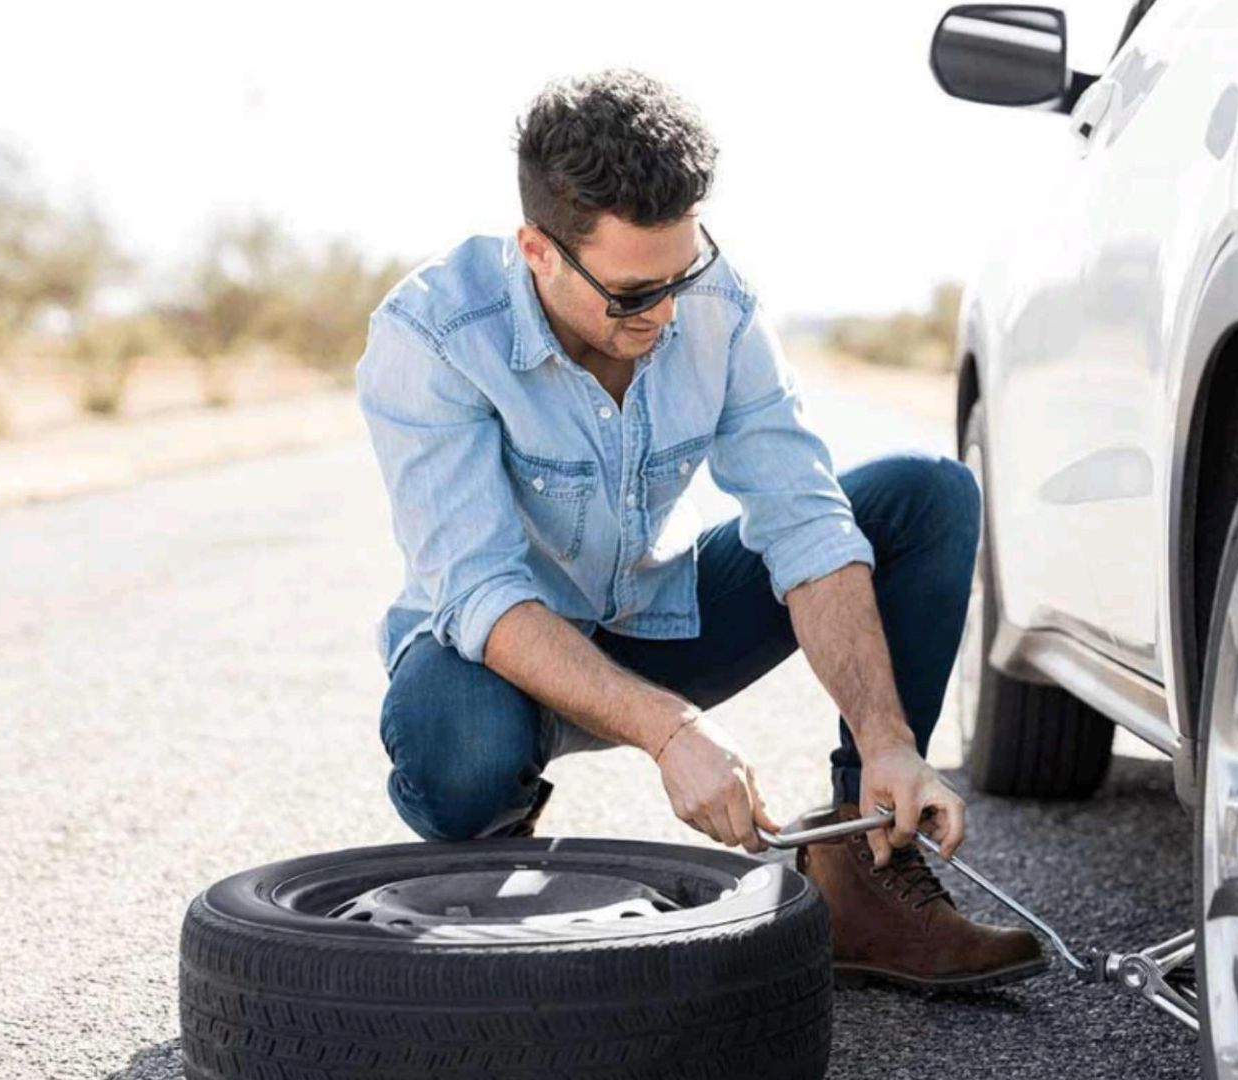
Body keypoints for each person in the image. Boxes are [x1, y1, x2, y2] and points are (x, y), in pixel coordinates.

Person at [355, 69, 1044, 991]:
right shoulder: (432, 334)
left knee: (927, 495)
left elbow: (801, 519)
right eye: (637, 294)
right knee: (460, 746)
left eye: (682, 274)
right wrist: (672, 733)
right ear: (539, 251)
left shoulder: (715, 305)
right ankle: (490, 873)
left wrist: (887, 738)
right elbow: (482, 593)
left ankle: (864, 875)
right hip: (497, 663)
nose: (668, 312)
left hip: (657, 616)